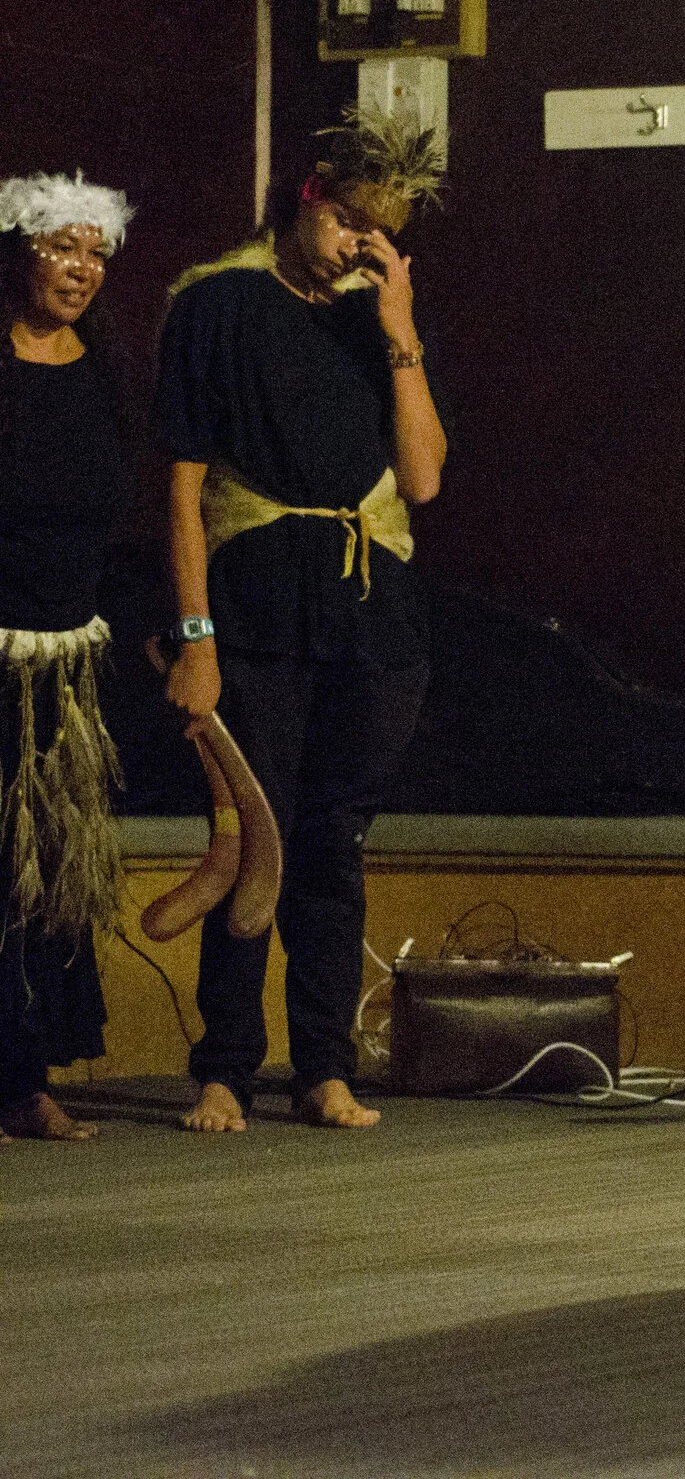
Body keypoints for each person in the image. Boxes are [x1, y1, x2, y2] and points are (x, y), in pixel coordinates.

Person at [159, 109, 448, 1134]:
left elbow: (421, 476)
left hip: (369, 616)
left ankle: (325, 1066)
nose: (357, 249)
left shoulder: (376, 319)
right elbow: (184, 488)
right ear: (308, 199)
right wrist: (194, 639)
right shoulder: (220, 303)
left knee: (334, 842)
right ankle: (226, 1068)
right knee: (251, 838)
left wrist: (401, 330)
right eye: (347, 226)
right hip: (256, 605)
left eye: (382, 235)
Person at [0, 172, 136, 1144]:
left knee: (45, 876)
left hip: (65, 666)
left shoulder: (102, 368)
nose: (81, 270)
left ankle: (24, 1080)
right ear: (17, 253)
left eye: (95, 253)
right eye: (61, 249)